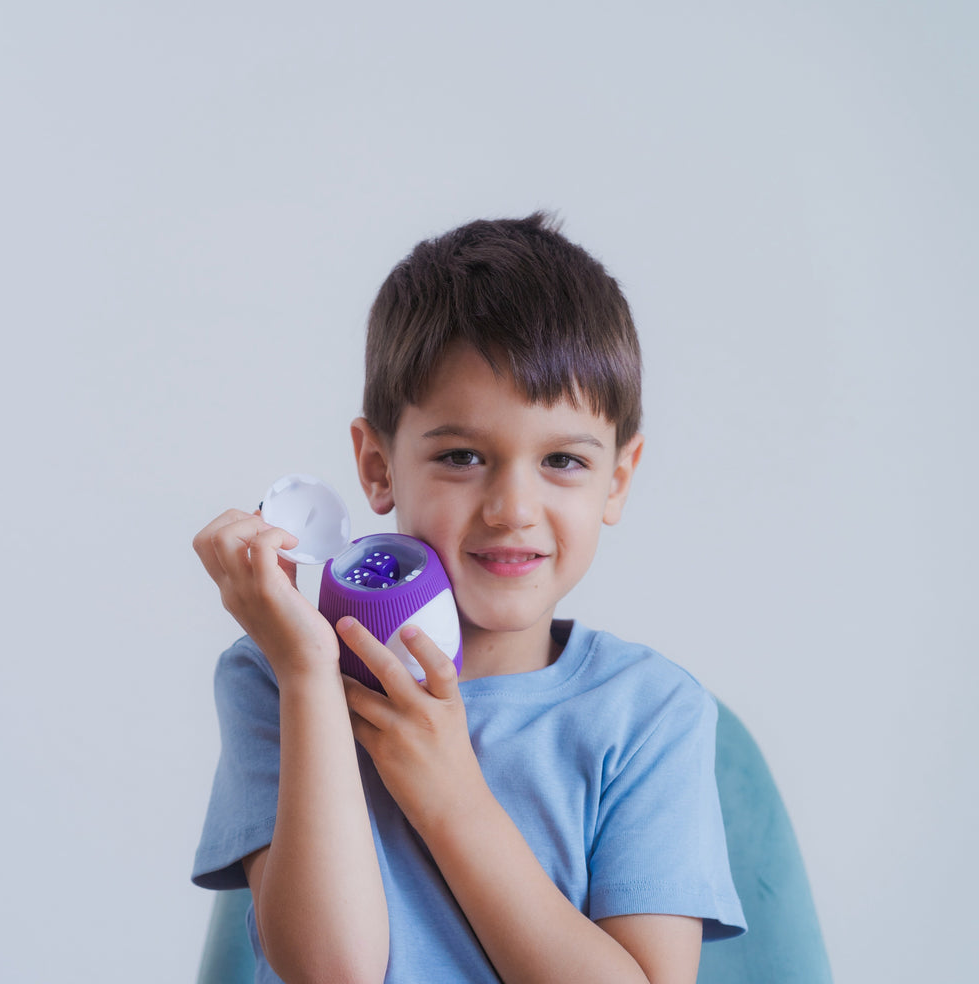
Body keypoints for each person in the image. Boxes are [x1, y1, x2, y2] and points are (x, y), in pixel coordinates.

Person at [191, 213, 746, 984]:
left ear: (617, 479)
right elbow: (331, 970)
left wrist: (451, 796)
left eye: (562, 460)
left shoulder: (649, 715)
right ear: (378, 466)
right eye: (461, 456)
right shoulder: (278, 674)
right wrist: (312, 677)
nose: (512, 508)